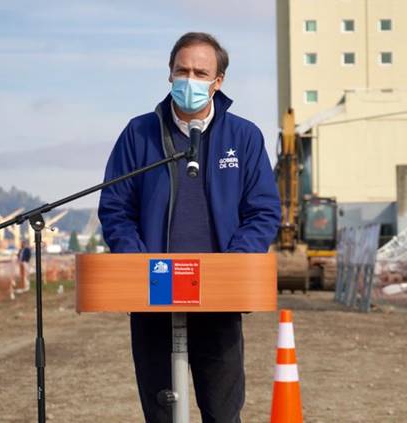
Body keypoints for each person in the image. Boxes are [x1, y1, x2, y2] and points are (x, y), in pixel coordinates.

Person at [98, 32, 280, 422]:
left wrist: (232, 267)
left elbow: (263, 211)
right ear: (169, 75)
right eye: (182, 70)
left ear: (218, 81)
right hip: (154, 294)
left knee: (222, 412)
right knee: (162, 413)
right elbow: (115, 209)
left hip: (219, 298)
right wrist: (139, 265)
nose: (190, 80)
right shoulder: (138, 134)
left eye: (201, 72)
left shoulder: (244, 137)